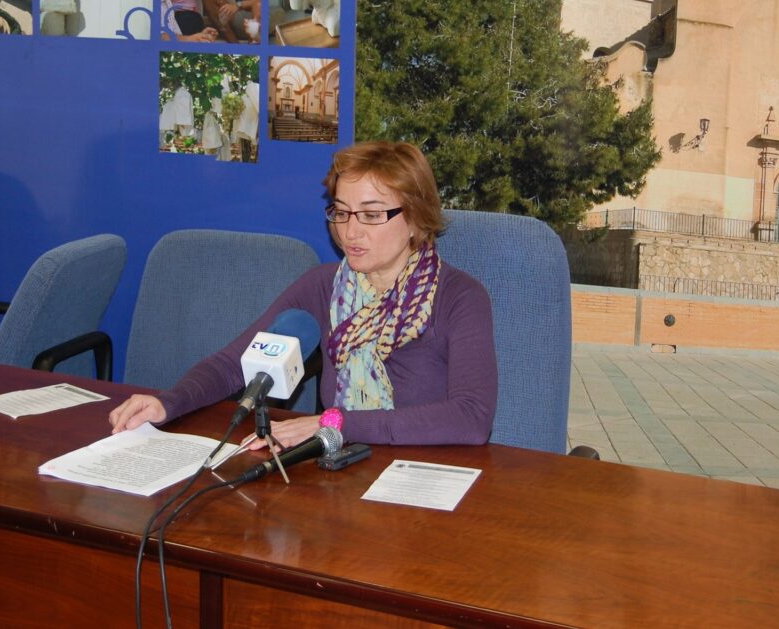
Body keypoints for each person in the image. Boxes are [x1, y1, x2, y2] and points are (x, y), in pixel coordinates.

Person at [109, 141, 498, 449]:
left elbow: (471, 418)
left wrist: (336, 424)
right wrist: (167, 403)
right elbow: (235, 365)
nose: (350, 231)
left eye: (372, 214)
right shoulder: (322, 287)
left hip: (427, 482)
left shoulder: (459, 297)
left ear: (415, 218)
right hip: (342, 467)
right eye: (341, 212)